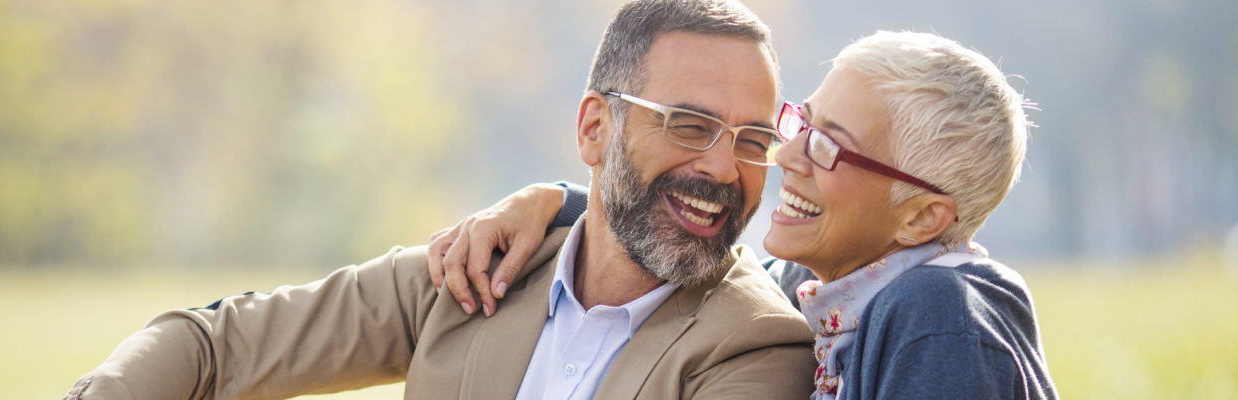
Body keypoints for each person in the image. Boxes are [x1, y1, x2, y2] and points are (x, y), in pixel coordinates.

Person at [62, 1, 819, 399]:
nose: (724, 168)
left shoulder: (757, 346)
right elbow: (215, 347)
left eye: (753, 140)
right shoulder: (474, 270)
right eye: (690, 126)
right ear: (595, 128)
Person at [430, 32, 1059, 399]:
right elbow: (690, 257)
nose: (785, 155)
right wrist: (559, 202)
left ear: (922, 218)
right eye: (799, 123)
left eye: (828, 145)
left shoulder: (938, 316)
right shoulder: (811, 291)